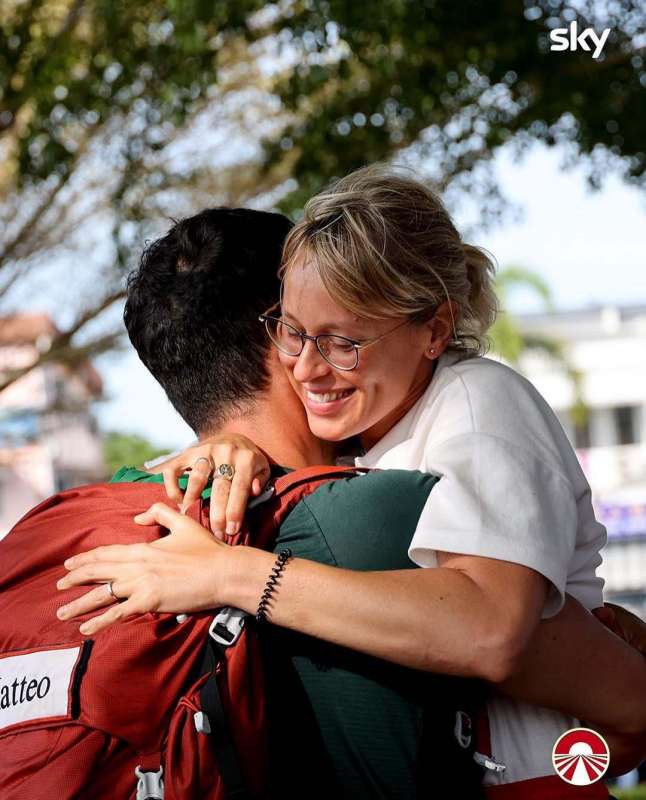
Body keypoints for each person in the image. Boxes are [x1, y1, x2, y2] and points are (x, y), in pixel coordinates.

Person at [58, 205, 646, 797]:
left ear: (435, 330)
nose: (311, 366)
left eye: (343, 341)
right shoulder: (339, 461)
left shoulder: (469, 405)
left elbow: (497, 634)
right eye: (293, 332)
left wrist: (236, 574)